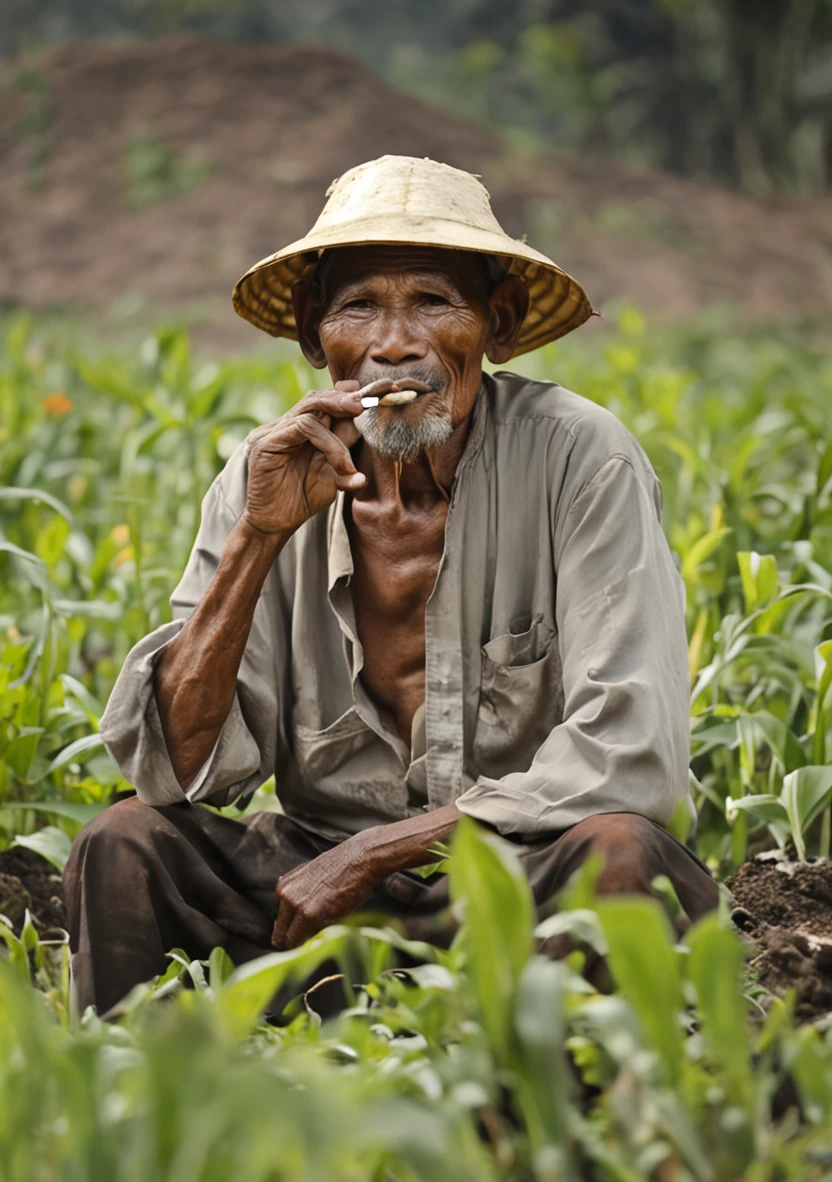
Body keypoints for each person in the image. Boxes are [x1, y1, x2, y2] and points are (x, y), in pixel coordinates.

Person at [64, 155, 718, 1015]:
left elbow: (631, 754)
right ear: (313, 336)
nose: (393, 342)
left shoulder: (579, 459)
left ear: (501, 323)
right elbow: (180, 771)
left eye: (433, 302)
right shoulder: (263, 478)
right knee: (124, 844)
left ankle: (575, 1122)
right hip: (315, 889)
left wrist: (378, 853)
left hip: (516, 868)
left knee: (623, 855)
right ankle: (152, 1116)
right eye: (359, 305)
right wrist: (259, 538)